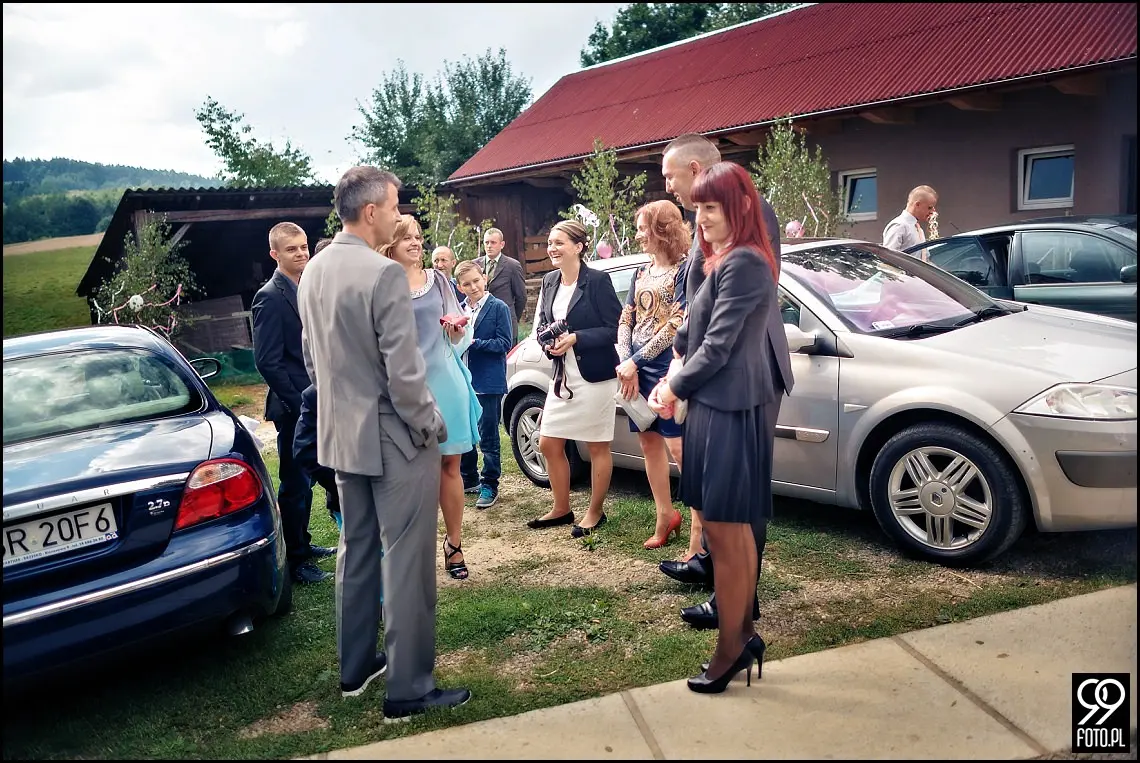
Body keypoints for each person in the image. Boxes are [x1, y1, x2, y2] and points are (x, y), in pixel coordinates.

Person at [297, 165, 470, 716]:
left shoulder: (313, 270)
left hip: (341, 434)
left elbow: (312, 360)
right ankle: (411, 687)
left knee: (357, 548)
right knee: (408, 559)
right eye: (394, 205)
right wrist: (432, 425)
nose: (399, 215)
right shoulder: (383, 274)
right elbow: (404, 373)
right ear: (371, 211)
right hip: (396, 437)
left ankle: (356, 667)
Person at [648, 161, 793, 694]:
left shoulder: (746, 263)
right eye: (699, 208)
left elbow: (719, 346)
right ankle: (744, 633)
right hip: (717, 406)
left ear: (740, 208)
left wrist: (672, 388)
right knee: (727, 531)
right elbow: (695, 331)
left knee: (730, 536)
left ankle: (731, 646)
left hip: (731, 409)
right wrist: (676, 369)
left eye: (712, 207)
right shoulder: (724, 259)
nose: (701, 217)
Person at [658, 132, 781, 576]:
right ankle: (712, 565)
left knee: (740, 491)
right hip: (710, 365)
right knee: (717, 481)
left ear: (695, 170)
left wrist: (681, 374)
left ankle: (737, 597)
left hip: (744, 368)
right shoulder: (708, 220)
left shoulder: (750, 212)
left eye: (671, 176)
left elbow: (746, 297)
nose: (668, 186)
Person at [379, 215, 481, 581]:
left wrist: (456, 330)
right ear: (390, 243)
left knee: (450, 467)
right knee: (414, 473)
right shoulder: (381, 284)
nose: (415, 243)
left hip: (445, 383)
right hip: (406, 389)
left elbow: (457, 337)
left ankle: (454, 545)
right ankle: (413, 551)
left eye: (419, 237)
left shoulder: (439, 281)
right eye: (407, 237)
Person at [525, 220, 622, 537]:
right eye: (549, 242)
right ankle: (561, 508)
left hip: (595, 377)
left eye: (559, 242)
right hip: (562, 377)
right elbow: (541, 325)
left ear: (579, 247)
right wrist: (548, 343)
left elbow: (614, 328)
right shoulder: (550, 281)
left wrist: (577, 337)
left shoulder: (597, 281)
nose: (551, 248)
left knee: (597, 447)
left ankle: (595, 513)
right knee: (548, 442)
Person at [251, 221, 334, 585]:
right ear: (274, 254)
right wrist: (302, 403)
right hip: (294, 408)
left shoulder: (313, 286)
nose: (301, 253)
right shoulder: (269, 296)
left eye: (303, 247)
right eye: (292, 249)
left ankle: (305, 543)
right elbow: (267, 361)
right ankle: (296, 559)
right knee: (295, 484)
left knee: (315, 476)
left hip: (324, 398)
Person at [616, 200, 689, 549]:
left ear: (663, 229)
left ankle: (704, 523)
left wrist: (637, 361)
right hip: (635, 370)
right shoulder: (640, 272)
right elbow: (625, 318)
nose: (638, 235)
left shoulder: (685, 271)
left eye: (644, 228)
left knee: (679, 447)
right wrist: (625, 361)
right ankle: (665, 514)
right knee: (648, 444)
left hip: (665, 369)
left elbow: (677, 323)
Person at [455, 260, 514, 510]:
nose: (473, 287)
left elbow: (504, 343)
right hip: (461, 380)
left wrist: (473, 342)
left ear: (485, 278)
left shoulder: (497, 307)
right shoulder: (457, 310)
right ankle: (468, 478)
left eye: (476, 281)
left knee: (488, 434)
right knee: (465, 432)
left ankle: (490, 482)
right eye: (466, 284)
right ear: (459, 286)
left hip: (488, 381)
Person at [475, 228, 528, 343]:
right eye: (486, 242)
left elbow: (521, 297)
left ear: (502, 244)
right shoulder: (475, 265)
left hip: (505, 324)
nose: (489, 246)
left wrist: (511, 317)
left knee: (507, 359)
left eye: (493, 243)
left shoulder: (512, 266)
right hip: (482, 324)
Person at [882, 185, 938, 258]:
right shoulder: (899, 226)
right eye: (929, 207)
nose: (933, 211)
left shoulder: (919, 230)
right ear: (917, 204)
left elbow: (925, 260)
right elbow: (888, 259)